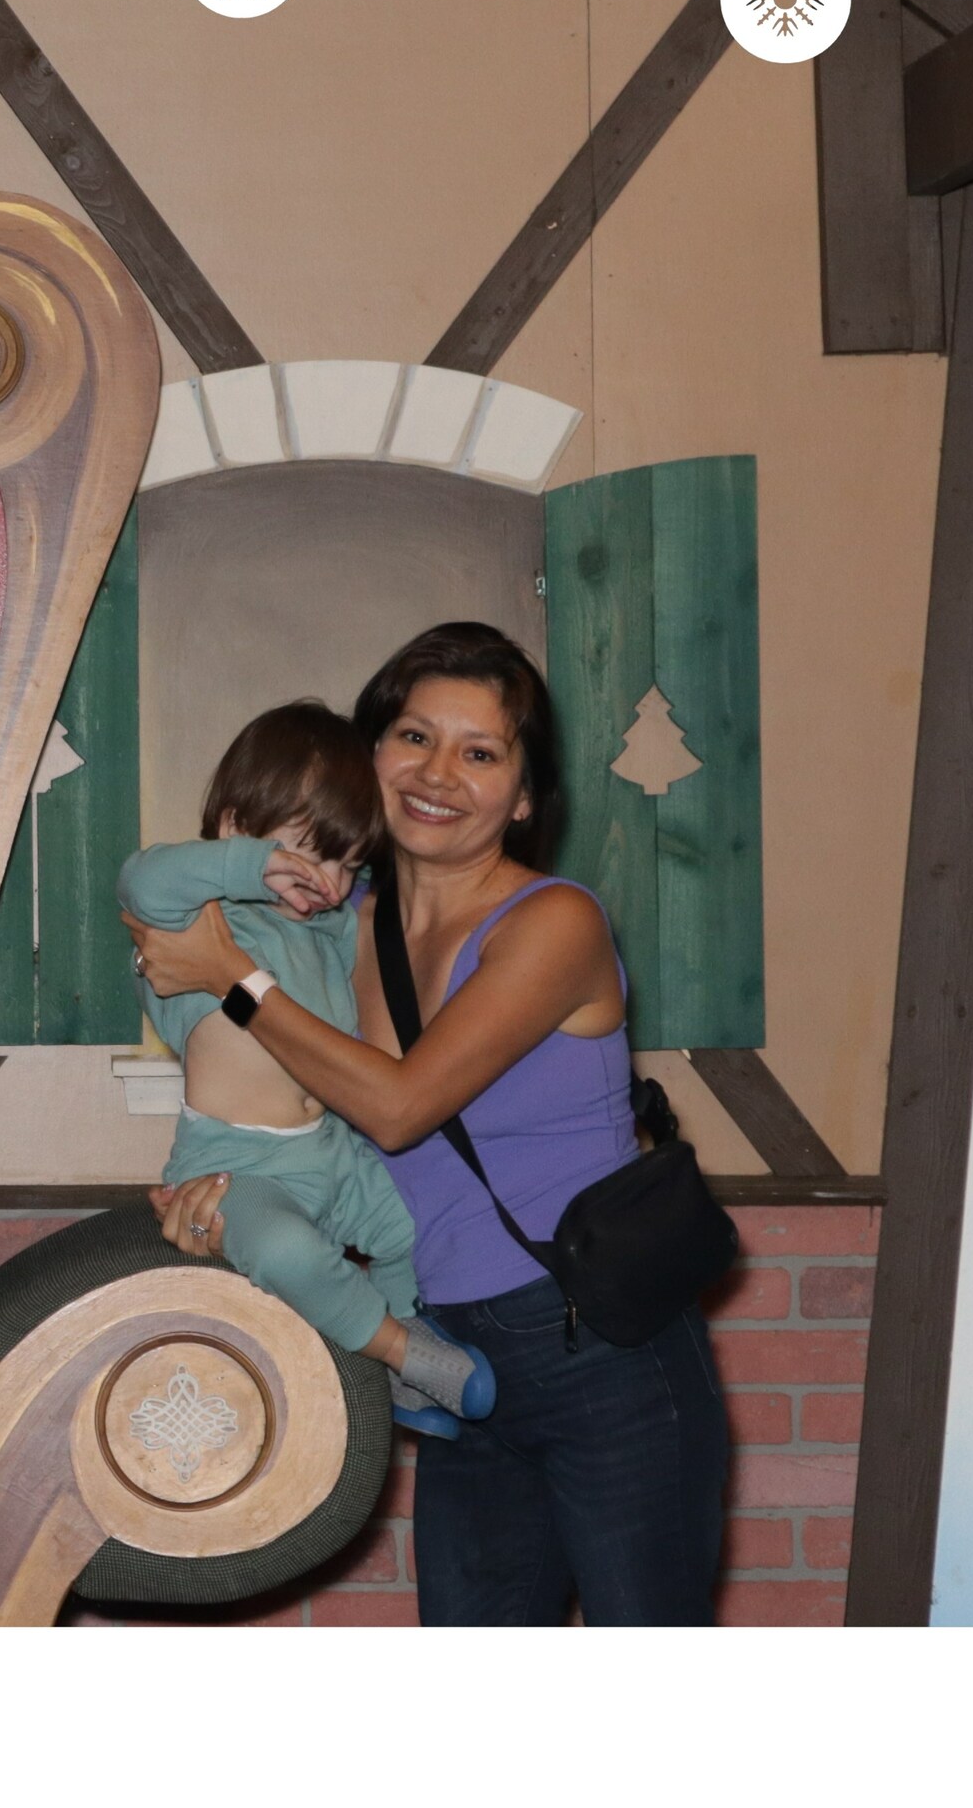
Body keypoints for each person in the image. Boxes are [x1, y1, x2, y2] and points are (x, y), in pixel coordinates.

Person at [135, 621, 728, 1625]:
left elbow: (399, 1107)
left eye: (480, 752)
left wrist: (232, 975)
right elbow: (285, 1103)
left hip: (600, 1351)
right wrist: (212, 1193)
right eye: (413, 737)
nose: (438, 774)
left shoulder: (553, 922)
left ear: (524, 796)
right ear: (370, 757)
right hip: (453, 1363)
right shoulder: (334, 922)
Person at [117, 702, 496, 1433]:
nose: (329, 882)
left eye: (348, 864)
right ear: (236, 828)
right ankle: (401, 1351)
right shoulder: (205, 921)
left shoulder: (326, 928)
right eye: (311, 855)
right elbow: (141, 879)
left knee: (417, 1219)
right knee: (284, 1250)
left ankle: (411, 1358)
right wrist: (250, 868)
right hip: (238, 1168)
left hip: (335, 1153)